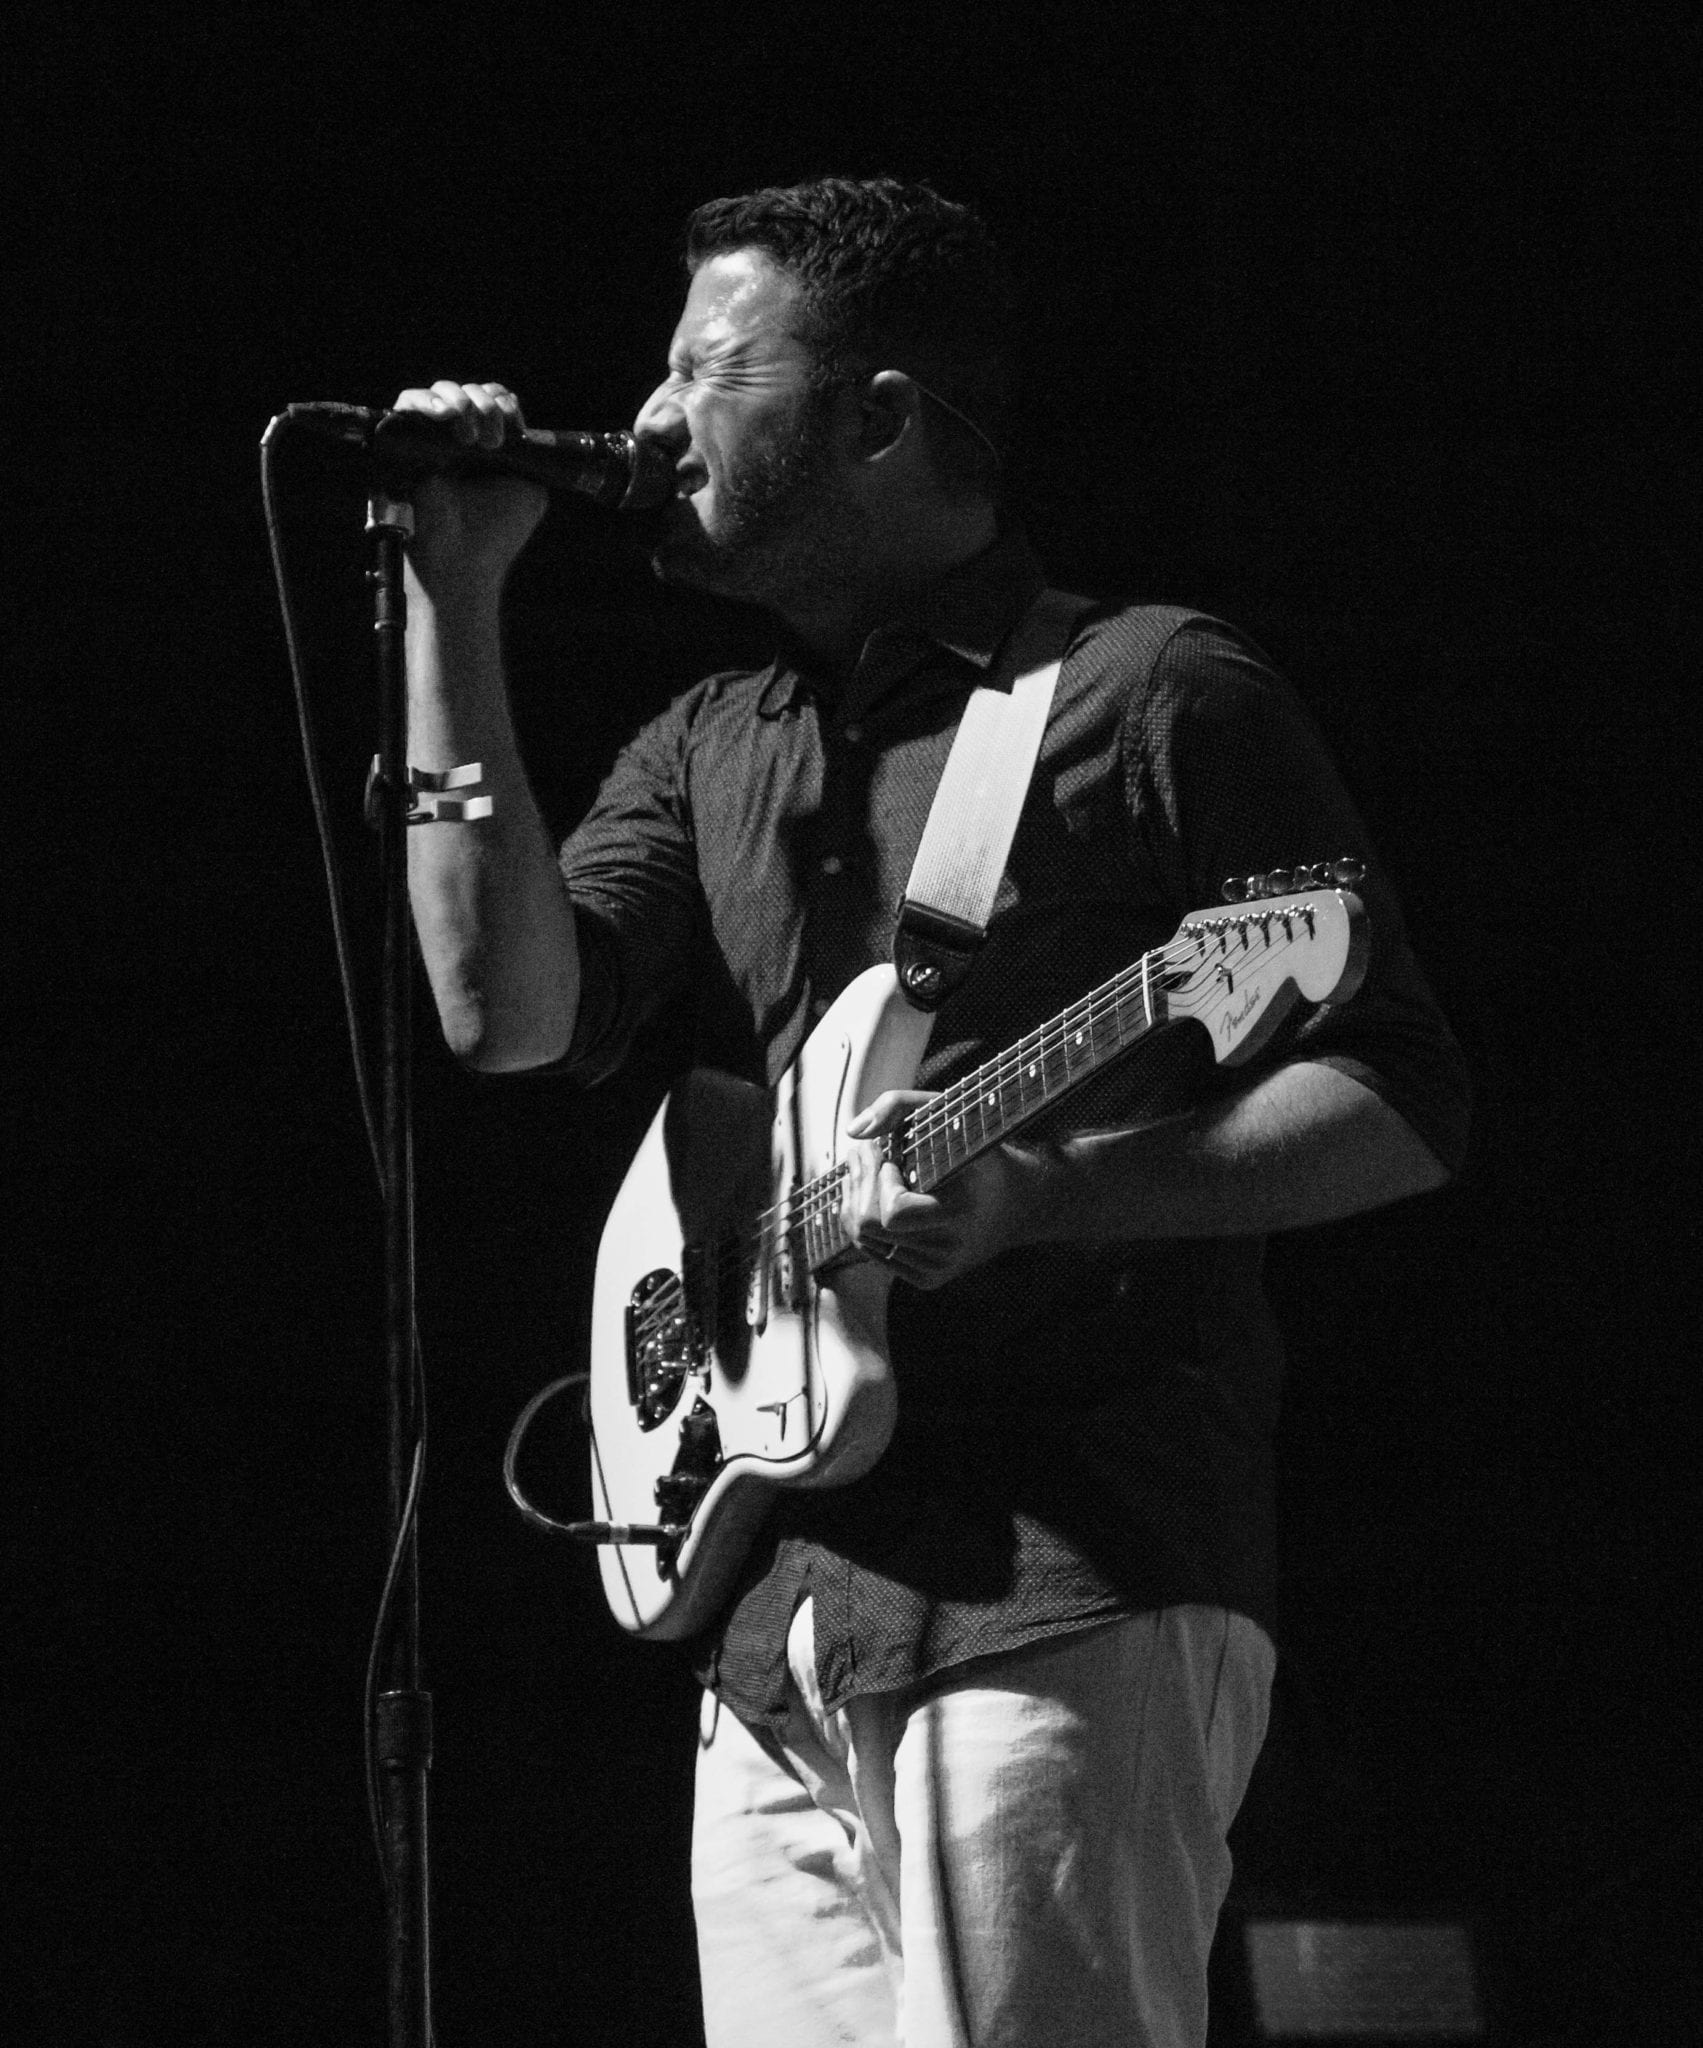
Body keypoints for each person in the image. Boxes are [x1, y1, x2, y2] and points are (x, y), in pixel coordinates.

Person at [397, 177, 1470, 2048]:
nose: (647, 418)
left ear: (881, 416)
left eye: (708, 369)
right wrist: (449, 601)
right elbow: (502, 1015)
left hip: (1065, 1575)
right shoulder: (715, 741)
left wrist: (1057, 1193)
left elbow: (1396, 1098)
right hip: (772, 1608)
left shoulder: (1149, 689)